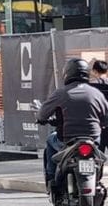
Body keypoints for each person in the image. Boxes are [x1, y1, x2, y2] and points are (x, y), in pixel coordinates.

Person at [37, 58, 108, 194]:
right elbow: (106, 118)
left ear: (67, 73)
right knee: (98, 159)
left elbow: (42, 114)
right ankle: (96, 180)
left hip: (67, 141)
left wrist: (41, 119)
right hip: (93, 140)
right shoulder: (96, 94)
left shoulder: (61, 93)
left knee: (50, 140)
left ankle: (51, 179)